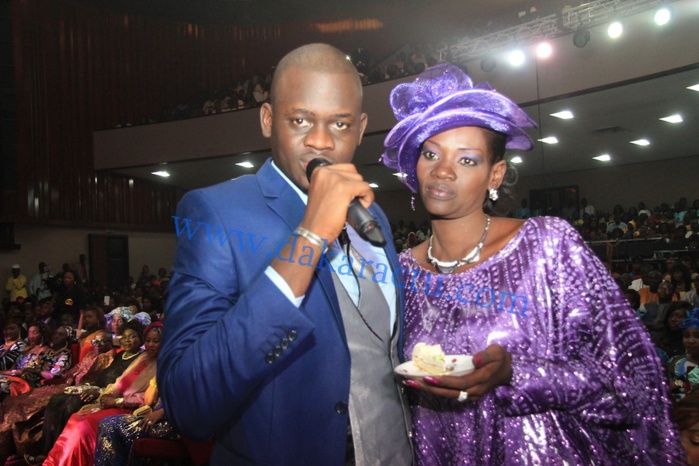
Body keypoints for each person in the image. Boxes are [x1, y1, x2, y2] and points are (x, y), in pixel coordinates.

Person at [380, 63, 683, 464]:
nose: (443, 170)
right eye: (431, 153)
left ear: (495, 174)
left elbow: (634, 382)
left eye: (467, 160)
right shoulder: (399, 271)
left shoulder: (547, 246)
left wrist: (517, 373)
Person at [159, 43, 412, 465]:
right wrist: (309, 237)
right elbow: (188, 403)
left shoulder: (374, 215)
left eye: (340, 124)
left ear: (361, 128)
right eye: (300, 120)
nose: (320, 141)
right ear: (268, 120)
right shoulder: (215, 213)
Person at [42, 322, 162, 466]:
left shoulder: (163, 364)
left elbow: (147, 400)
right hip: (115, 402)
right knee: (77, 417)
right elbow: (119, 382)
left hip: (130, 409)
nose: (150, 345)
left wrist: (117, 401)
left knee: (84, 425)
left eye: (156, 341)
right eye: (148, 340)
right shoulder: (143, 358)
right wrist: (107, 394)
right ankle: (56, 462)